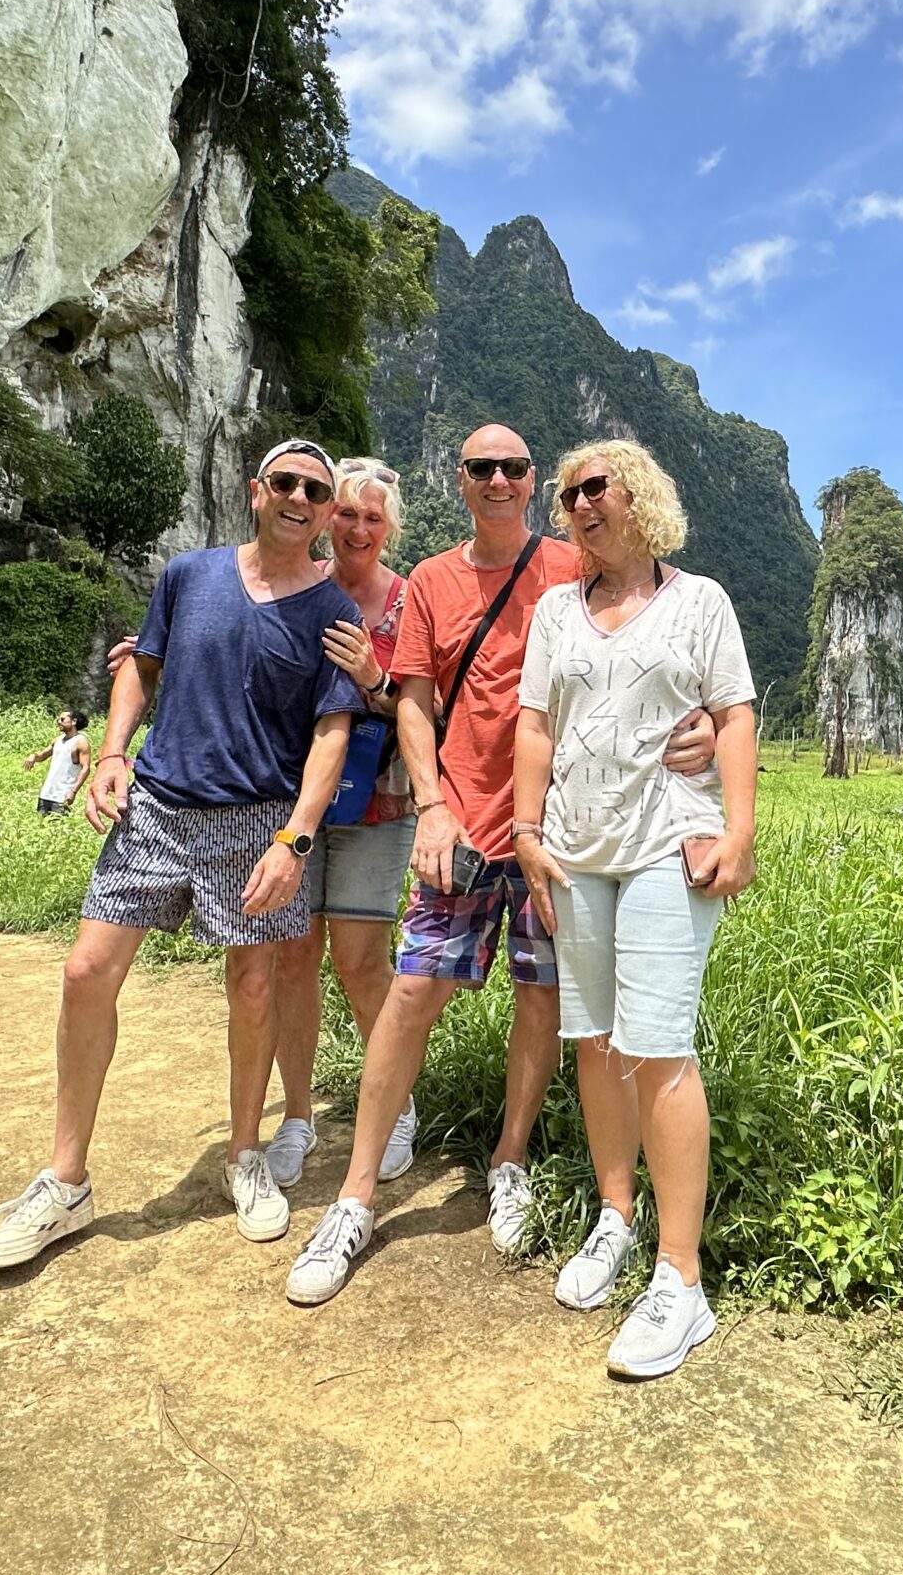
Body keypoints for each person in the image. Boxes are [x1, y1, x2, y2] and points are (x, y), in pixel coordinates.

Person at [284, 424, 715, 1308]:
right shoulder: (436, 581)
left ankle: (510, 1158)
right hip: (470, 826)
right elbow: (413, 703)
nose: (498, 480)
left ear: (533, 485)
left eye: (515, 468)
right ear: (461, 481)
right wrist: (435, 807)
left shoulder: (578, 563)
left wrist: (705, 727)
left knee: (545, 1002)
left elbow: (669, 647)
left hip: (576, 841)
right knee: (413, 994)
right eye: (481, 467)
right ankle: (357, 1194)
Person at [0, 439, 362, 1270]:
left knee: (254, 989)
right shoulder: (191, 574)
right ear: (256, 491)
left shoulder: (333, 612)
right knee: (85, 972)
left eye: (315, 491)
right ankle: (65, 1179)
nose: (298, 497)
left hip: (257, 821)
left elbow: (332, 732)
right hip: (157, 804)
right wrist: (112, 754)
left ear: (329, 512)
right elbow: (139, 672)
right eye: (285, 482)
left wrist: (296, 837)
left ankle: (244, 1156)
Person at [513, 439, 759, 1380]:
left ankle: (681, 1279)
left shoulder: (699, 603)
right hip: (575, 851)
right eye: (567, 494)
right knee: (596, 1039)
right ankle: (617, 1216)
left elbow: (733, 714)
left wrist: (737, 832)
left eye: (592, 488)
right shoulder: (554, 611)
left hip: (667, 840)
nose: (576, 504)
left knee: (659, 1045)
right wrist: (527, 831)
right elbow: (535, 723)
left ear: (638, 498)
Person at [264, 459, 415, 1191]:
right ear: (328, 517)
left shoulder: (411, 601)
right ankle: (297, 1116)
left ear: (390, 528)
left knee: (360, 961)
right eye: (347, 512)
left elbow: (430, 708)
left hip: (379, 801)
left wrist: (374, 681)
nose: (358, 527)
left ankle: (394, 1108)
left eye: (372, 517)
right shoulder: (297, 582)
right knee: (292, 957)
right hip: (292, 799)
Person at [23, 710, 92, 817]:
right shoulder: (58, 740)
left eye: (62, 719)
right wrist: (33, 756)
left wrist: (73, 791)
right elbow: (42, 756)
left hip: (62, 797)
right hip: (46, 794)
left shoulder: (81, 742)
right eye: (58, 719)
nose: (59, 722)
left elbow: (86, 768)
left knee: (57, 828)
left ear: (74, 721)